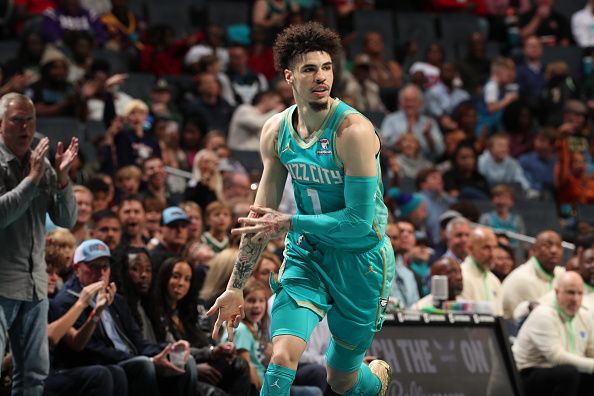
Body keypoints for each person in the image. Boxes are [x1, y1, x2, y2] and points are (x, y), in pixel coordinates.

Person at [208, 22, 394, 396]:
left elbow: (360, 223)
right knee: (281, 359)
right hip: (307, 256)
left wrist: (290, 221)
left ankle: (374, 384)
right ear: (289, 76)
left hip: (361, 262)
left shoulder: (353, 132)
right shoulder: (276, 131)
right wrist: (235, 287)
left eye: (326, 67)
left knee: (340, 380)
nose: (321, 77)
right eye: (310, 69)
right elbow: (260, 217)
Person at [0, 92, 78, 394]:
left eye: (30, 120)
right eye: (16, 120)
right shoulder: (28, 168)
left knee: (34, 374)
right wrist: (31, 181)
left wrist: (61, 180)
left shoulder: (40, 164)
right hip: (3, 283)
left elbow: (66, 219)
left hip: (34, 284)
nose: (25, 128)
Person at [51, 239, 196, 396]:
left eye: (105, 267)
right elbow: (89, 349)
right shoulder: (67, 301)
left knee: (184, 359)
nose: (101, 273)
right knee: (143, 366)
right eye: (94, 266)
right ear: (77, 269)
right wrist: (146, 359)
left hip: (129, 357)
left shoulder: (116, 299)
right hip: (105, 362)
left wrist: (167, 349)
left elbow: (138, 340)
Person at [512, 272, 594, 396]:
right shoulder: (544, 315)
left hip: (559, 372)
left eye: (579, 293)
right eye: (570, 292)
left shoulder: (584, 316)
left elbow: (591, 350)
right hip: (527, 374)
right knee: (569, 373)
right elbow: (557, 358)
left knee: (583, 376)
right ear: (557, 292)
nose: (575, 299)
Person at [460, 226, 503, 315]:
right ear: (470, 249)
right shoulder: (461, 277)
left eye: (494, 247)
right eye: (486, 248)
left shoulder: (494, 280)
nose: (492, 254)